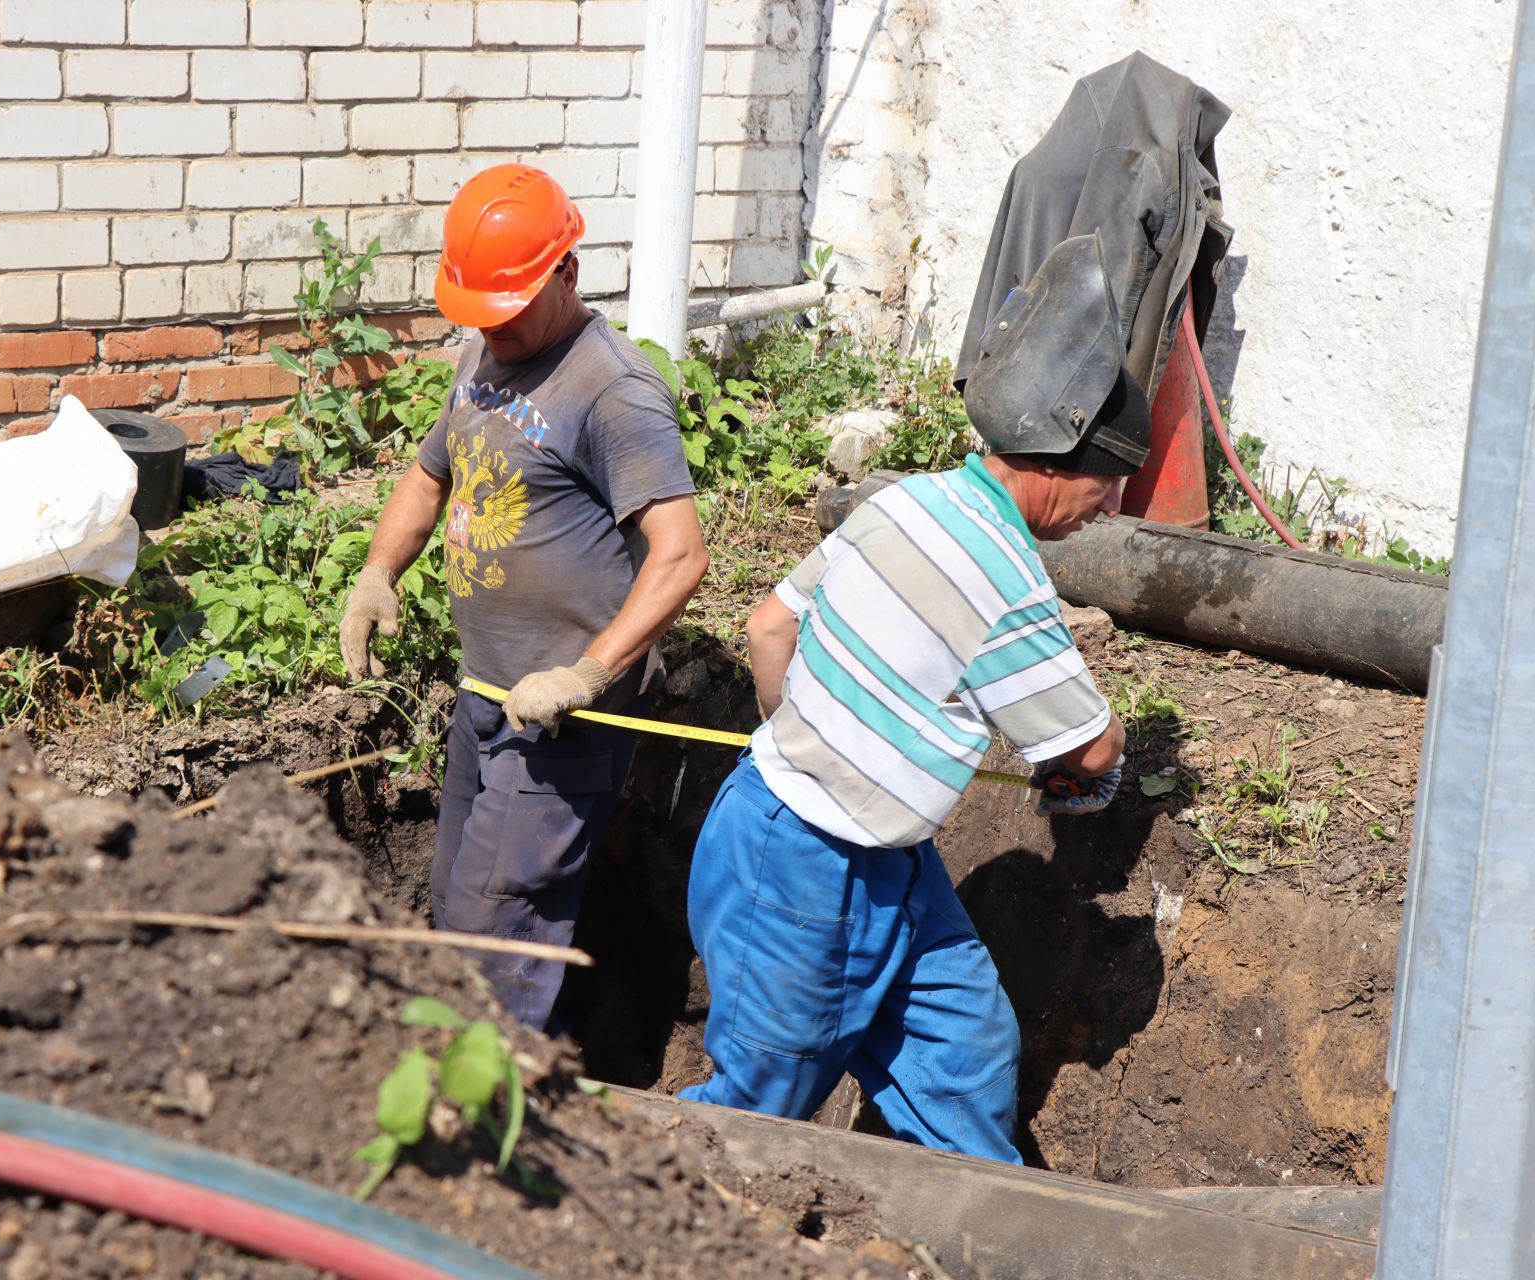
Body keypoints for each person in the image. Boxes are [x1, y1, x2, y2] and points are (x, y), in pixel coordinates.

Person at [680, 235, 1144, 1162]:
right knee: (757, 1109)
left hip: (826, 842)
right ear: (1057, 459)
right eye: (1108, 484)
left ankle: (973, 1236)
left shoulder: (906, 500)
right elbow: (1092, 754)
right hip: (810, 869)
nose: (1110, 506)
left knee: (962, 1052)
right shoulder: (1008, 580)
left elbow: (769, 627)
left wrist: (813, 742)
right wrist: (1093, 781)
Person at [340, 163, 707, 1030]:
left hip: (561, 720)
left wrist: (588, 672)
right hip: (485, 695)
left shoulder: (615, 391)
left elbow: (681, 555)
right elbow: (429, 478)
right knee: (460, 908)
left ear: (567, 271)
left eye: (508, 311)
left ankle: (489, 1117)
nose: (493, 332)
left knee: (492, 937)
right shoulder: (485, 350)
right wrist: (377, 572)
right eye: (480, 314)